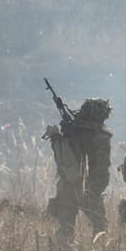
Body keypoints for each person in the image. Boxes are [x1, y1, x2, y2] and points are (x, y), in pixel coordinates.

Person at [46, 97, 112, 237]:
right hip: (88, 187)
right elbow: (102, 169)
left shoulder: (70, 131)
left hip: (66, 187)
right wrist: (95, 191)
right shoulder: (100, 138)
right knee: (100, 230)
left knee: (64, 232)